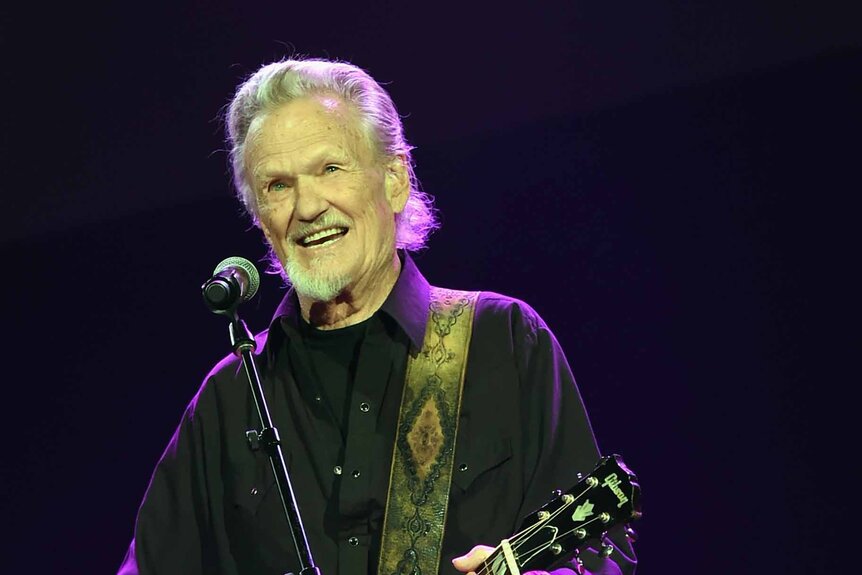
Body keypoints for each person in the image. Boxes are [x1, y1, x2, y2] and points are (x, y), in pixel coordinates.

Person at [117, 57, 637, 575]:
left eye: (330, 169)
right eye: (277, 186)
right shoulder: (230, 397)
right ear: (260, 219)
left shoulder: (503, 341)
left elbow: (597, 556)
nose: (307, 206)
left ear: (394, 180)